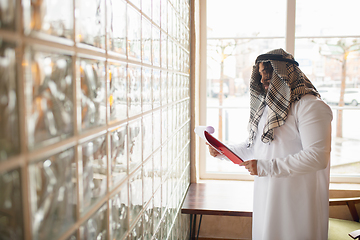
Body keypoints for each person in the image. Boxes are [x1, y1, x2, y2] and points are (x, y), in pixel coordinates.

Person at [208, 48, 332, 240]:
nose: (263, 80)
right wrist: (223, 151)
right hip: (266, 195)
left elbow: (317, 157)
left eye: (269, 73)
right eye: (261, 74)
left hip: (298, 202)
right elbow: (255, 147)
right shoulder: (267, 109)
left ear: (285, 74)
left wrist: (265, 167)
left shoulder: (311, 106)